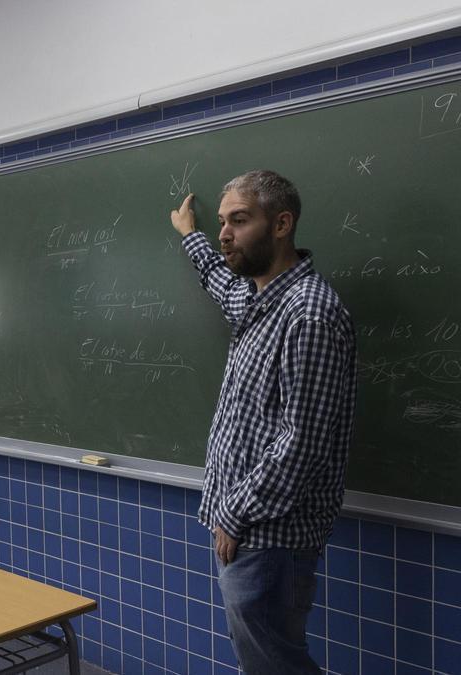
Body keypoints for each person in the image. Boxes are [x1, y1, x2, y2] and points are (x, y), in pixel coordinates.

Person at [169, 170, 356, 674]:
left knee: (276, 665)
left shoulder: (308, 315)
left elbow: (302, 442)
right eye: (222, 222)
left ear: (281, 224)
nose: (225, 233)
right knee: (264, 661)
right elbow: (220, 282)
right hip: (247, 529)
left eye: (239, 220)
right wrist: (190, 235)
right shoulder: (257, 301)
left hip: (269, 534)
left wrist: (234, 513)